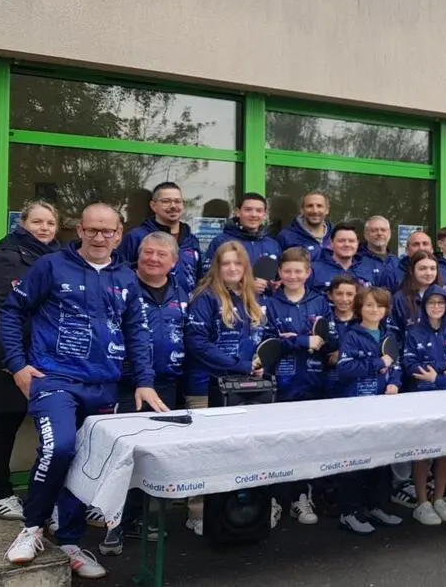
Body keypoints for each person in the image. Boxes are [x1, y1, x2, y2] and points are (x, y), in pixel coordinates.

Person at [0, 203, 161, 579]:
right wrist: (17, 365)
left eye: (108, 231)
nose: (99, 237)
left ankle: (70, 541)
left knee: (88, 462)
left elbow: (137, 331)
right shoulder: (51, 266)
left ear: (119, 235)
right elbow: (11, 311)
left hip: (103, 385)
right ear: (80, 231)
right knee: (59, 448)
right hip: (55, 378)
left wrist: (144, 381)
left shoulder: (126, 277)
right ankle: (32, 528)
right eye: (92, 230)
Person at [100, 232, 190, 555]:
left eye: (161, 254)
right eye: (147, 252)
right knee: (123, 456)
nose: (153, 258)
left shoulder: (183, 290)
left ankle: (139, 518)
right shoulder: (121, 284)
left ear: (173, 262)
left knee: (152, 456)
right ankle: (114, 523)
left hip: (166, 385)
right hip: (127, 384)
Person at [0, 201, 60, 520]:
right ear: (22, 223)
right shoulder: (7, 257)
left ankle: (22, 487)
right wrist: (12, 359)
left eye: (50, 223)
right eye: (37, 221)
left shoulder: (52, 256)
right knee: (4, 422)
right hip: (8, 354)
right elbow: (1, 311)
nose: (44, 228)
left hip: (38, 353)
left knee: (29, 422)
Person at [183, 239, 270, 537]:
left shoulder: (249, 299)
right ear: (216, 267)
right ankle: (197, 511)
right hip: (205, 388)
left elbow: (256, 342)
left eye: (238, 263)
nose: (232, 268)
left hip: (242, 388)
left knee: (238, 452)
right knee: (204, 452)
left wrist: (257, 362)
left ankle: (232, 512)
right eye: (226, 263)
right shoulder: (205, 297)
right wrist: (240, 364)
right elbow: (197, 343)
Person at [264, 247, 332, 524]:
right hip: (280, 386)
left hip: (313, 384)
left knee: (307, 445)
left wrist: (294, 340)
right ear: (279, 272)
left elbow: (328, 339)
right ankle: (273, 500)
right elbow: (268, 343)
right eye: (287, 271)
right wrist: (302, 341)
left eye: (298, 271)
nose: (293, 276)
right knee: (276, 445)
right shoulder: (269, 304)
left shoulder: (320, 303)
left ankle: (301, 498)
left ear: (308, 273)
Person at [334, 287, 405, 534]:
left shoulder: (388, 335)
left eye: (380, 306)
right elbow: (345, 369)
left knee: (381, 459)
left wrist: (395, 383)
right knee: (354, 460)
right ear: (360, 308)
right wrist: (378, 363)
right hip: (356, 405)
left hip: (381, 406)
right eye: (369, 305)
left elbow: (397, 366)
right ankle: (349, 512)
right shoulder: (351, 336)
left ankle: (377, 506)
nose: (375, 310)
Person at [400, 287, 446, 525]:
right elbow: (411, 366)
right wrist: (443, 366)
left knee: (445, 451)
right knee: (423, 451)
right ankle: (422, 503)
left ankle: (439, 498)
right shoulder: (413, 334)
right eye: (432, 303)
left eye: (441, 303)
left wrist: (438, 378)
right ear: (424, 306)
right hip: (423, 399)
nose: (436, 307)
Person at [116, 182, 202, 291]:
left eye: (177, 201)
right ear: (153, 206)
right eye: (166, 201)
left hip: (187, 300)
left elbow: (199, 278)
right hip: (145, 300)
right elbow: (121, 274)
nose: (173, 206)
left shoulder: (191, 240)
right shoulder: (136, 237)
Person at [201, 193, 282, 294]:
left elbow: (278, 277)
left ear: (265, 214)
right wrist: (243, 287)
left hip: (265, 303)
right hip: (230, 302)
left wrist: (275, 285)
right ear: (238, 212)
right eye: (248, 210)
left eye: (259, 211)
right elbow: (209, 278)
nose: (254, 214)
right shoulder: (221, 242)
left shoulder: (273, 245)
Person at [323, 275, 361, 400]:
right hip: (327, 385)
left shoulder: (365, 320)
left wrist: (342, 355)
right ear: (330, 295)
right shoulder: (323, 319)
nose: (344, 299)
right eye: (339, 294)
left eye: (350, 294)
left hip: (357, 386)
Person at [308, 225, 376, 294]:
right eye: (341, 241)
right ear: (331, 243)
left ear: (357, 244)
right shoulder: (314, 270)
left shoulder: (368, 269)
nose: (347, 244)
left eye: (351, 241)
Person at [388, 251, 439, 342]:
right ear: (412, 271)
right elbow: (393, 333)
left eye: (432, 268)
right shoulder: (400, 298)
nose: (428, 273)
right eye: (422, 268)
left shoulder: (443, 296)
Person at [276, 191, 334, 261]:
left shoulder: (336, 234)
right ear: (302, 210)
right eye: (310, 206)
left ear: (327, 210)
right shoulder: (286, 236)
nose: (315, 211)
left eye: (319, 206)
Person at [357, 216, 400, 288]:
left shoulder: (398, 263)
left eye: (383, 230)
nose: (379, 233)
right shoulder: (356, 261)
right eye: (374, 230)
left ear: (389, 233)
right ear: (365, 234)